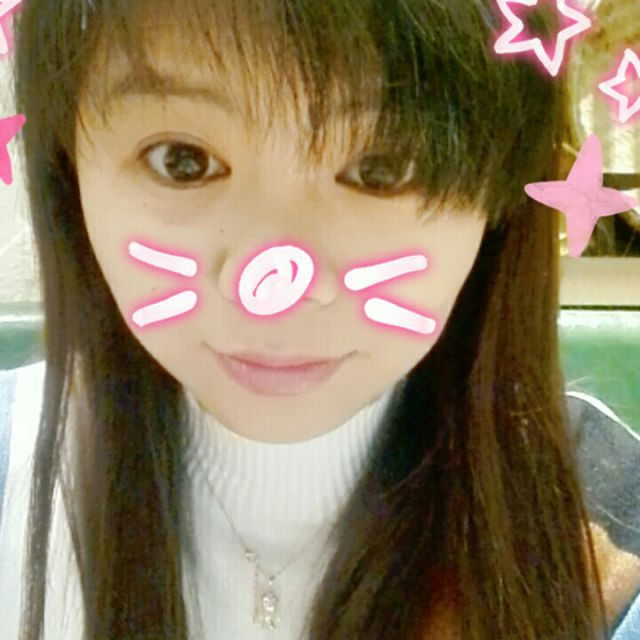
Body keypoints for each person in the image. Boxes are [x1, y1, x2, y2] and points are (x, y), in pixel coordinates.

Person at [0, 0, 638, 638]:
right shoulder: (12, 464)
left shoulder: (605, 525)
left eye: (380, 171)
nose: (271, 288)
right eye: (182, 160)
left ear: (500, 191)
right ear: (68, 168)